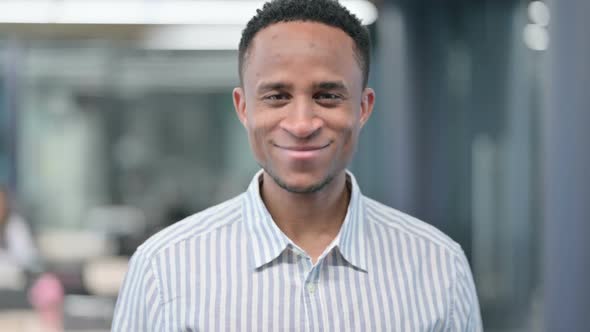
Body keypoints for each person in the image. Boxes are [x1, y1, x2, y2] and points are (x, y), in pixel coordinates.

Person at [112, 0, 483, 330]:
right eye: (277, 96)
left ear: (364, 108)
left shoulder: (439, 268)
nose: (302, 123)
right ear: (243, 108)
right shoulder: (163, 270)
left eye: (327, 96)